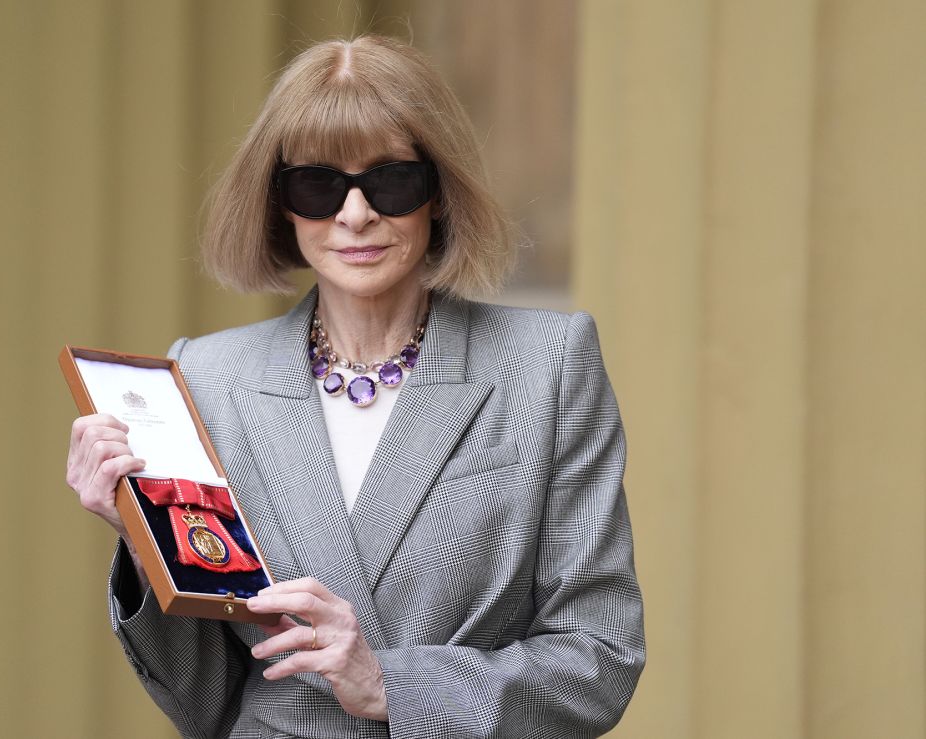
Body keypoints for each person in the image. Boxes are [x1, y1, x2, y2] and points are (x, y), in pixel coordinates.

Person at [65, 35, 644, 738]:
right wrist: (144, 537)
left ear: (439, 191)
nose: (355, 214)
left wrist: (389, 683)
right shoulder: (207, 379)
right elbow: (208, 701)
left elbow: (600, 655)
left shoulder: (547, 365)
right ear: (279, 202)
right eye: (317, 184)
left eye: (391, 180)